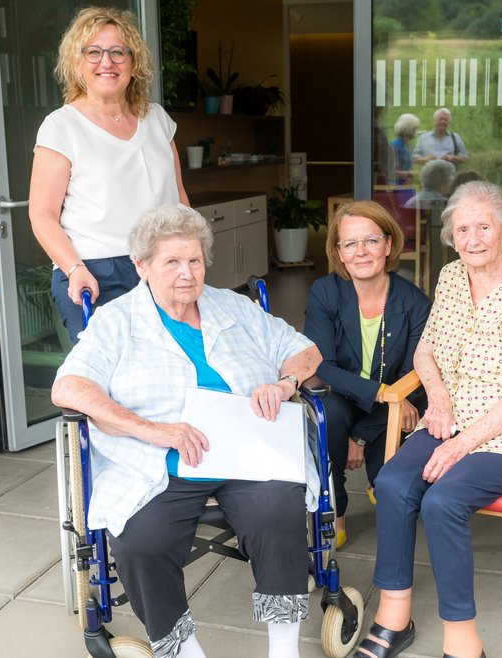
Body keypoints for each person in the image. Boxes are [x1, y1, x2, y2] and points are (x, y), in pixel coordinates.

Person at [52, 205, 321, 658]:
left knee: (279, 511)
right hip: (157, 462)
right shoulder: (116, 321)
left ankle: (284, 648)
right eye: (171, 262)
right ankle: (183, 648)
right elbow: (70, 387)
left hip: (244, 452)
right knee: (142, 541)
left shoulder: (234, 306)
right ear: (141, 266)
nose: (186, 273)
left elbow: (303, 350)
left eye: (194, 261)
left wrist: (284, 383)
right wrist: (152, 430)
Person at [352, 181, 502, 658]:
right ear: (451, 236)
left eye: (483, 227)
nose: (473, 239)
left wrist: (462, 442)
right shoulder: (451, 277)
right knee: (391, 483)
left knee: (443, 502)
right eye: (462, 229)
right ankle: (394, 614)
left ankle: (463, 640)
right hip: (453, 416)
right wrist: (439, 398)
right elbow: (426, 349)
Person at [30, 6, 190, 344]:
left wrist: (190, 256)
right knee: (111, 383)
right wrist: (75, 269)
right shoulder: (62, 126)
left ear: (134, 64)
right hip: (95, 270)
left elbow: (179, 197)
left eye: (118, 52)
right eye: (94, 52)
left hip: (162, 263)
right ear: (77, 63)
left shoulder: (157, 119)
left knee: (173, 373)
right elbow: (42, 216)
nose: (107, 61)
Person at [303, 201, 431, 550]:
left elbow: (412, 378)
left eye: (371, 241)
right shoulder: (325, 292)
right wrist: (378, 393)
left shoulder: (415, 303)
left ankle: (376, 472)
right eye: (350, 244)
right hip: (342, 396)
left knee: (388, 481)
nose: (361, 252)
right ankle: (336, 511)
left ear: (388, 246)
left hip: (391, 406)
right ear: (339, 253)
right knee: (327, 418)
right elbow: (322, 366)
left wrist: (358, 437)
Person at [390, 113, 420, 185]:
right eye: (415, 128)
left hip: (405, 184)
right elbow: (391, 172)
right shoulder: (395, 146)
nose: (416, 131)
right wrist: (409, 174)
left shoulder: (407, 145)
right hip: (396, 186)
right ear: (409, 129)